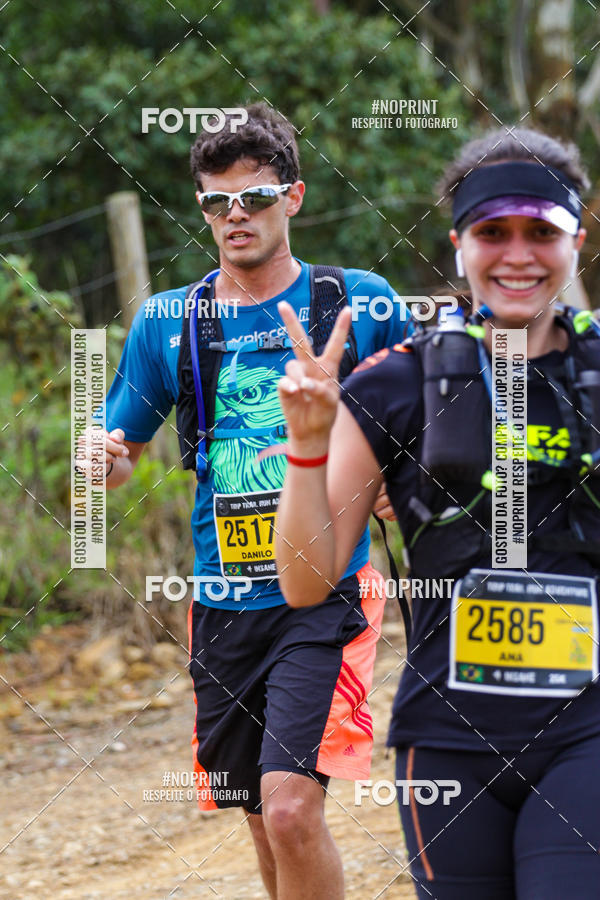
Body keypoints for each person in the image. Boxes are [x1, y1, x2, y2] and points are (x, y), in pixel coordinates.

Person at [78, 102, 409, 899]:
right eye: (216, 201)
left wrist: (401, 484)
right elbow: (119, 450)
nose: (236, 216)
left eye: (255, 198)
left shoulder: (358, 302)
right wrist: (103, 460)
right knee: (261, 818)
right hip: (222, 599)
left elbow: (427, 432)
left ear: (291, 199)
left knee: (293, 811)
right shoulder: (169, 320)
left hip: (327, 589)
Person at [276, 126, 600, 899]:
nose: (517, 254)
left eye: (541, 233)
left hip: (589, 732)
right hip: (446, 740)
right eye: (493, 232)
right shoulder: (395, 383)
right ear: (459, 244)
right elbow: (304, 582)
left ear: (575, 243)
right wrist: (310, 443)